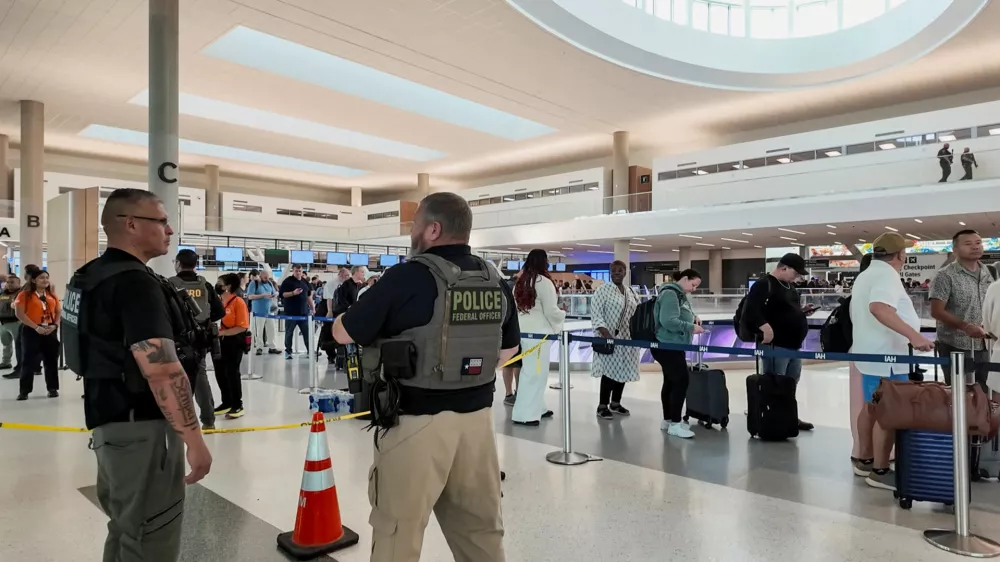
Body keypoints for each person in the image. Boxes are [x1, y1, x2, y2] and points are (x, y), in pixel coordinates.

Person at [332, 192, 518, 562]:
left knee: (398, 532)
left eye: (415, 223)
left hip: (415, 423)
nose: (412, 231)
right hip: (478, 424)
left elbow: (344, 333)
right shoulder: (493, 279)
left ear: (433, 229)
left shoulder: (405, 276)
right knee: (480, 531)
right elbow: (506, 353)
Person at [63, 188, 211, 560]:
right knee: (151, 536)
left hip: (109, 421)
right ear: (130, 223)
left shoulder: (89, 276)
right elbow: (161, 370)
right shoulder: (135, 283)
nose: (170, 230)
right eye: (161, 221)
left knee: (127, 529)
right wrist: (194, 440)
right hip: (143, 427)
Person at [850, 232, 934, 490]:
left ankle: (864, 459)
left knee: (871, 408)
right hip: (886, 355)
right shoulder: (887, 275)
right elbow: (879, 308)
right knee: (888, 412)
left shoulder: (866, 274)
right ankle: (880, 469)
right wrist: (915, 336)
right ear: (900, 255)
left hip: (870, 354)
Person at [742, 253, 817, 431]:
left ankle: (788, 415)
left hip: (793, 344)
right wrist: (765, 328)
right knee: (774, 381)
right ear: (783, 267)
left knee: (790, 382)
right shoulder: (764, 284)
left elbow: (786, 310)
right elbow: (751, 310)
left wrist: (801, 312)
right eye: (795, 272)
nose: (797, 277)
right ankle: (771, 418)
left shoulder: (789, 286)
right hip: (776, 345)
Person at [929, 229, 993, 391]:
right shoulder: (945, 275)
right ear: (955, 250)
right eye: (968, 244)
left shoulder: (989, 272)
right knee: (960, 395)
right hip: (956, 346)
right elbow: (936, 311)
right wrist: (965, 326)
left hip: (987, 344)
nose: (975, 247)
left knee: (987, 392)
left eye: (978, 243)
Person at [170, 249, 226, 430]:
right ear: (195, 265)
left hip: (176, 339)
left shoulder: (170, 284)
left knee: (173, 377)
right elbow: (220, 311)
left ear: (178, 263)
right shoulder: (205, 284)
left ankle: (176, 420)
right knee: (200, 376)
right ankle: (208, 420)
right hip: (200, 338)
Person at [511, 249, 565, 426]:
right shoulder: (544, 282)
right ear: (544, 262)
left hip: (523, 332)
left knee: (533, 371)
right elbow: (551, 310)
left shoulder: (521, 281)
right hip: (539, 334)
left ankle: (538, 407)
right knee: (535, 373)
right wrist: (562, 314)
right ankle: (524, 414)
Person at [651, 269, 703, 439]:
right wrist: (690, 327)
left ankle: (668, 420)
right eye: (693, 284)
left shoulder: (678, 294)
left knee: (671, 382)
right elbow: (668, 321)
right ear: (685, 278)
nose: (694, 289)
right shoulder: (671, 294)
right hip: (668, 345)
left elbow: (680, 313)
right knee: (681, 381)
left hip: (672, 345)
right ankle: (675, 423)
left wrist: (693, 317)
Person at [591, 260, 641, 420]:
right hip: (609, 338)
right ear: (610, 272)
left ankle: (616, 403)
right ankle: (602, 405)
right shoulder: (602, 291)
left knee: (623, 370)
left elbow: (638, 313)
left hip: (628, 340)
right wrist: (607, 336)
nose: (617, 273)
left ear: (625, 272)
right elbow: (596, 316)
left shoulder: (631, 292)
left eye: (620, 270)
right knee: (609, 373)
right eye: (614, 271)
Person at [14, 269, 61, 400]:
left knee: (51, 360)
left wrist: (55, 325)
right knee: (28, 361)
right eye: (41, 278)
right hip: (31, 330)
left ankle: (52, 388)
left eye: (47, 277)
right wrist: (35, 327)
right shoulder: (24, 295)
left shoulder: (51, 294)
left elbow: (58, 312)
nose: (45, 280)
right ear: (33, 280)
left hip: (50, 329)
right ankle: (24, 391)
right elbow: (20, 314)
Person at [215, 273, 251, 419]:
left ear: (228, 286)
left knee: (231, 372)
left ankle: (237, 405)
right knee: (220, 372)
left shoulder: (238, 302)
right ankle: (226, 402)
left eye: (220, 282)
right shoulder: (217, 301)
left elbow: (242, 327)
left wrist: (223, 332)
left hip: (234, 341)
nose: (217, 285)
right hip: (219, 342)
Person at [279, 264, 313, 359]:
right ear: (293, 271)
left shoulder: (305, 282)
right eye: (296, 271)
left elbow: (309, 296)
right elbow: (282, 294)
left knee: (307, 333)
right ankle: (288, 351)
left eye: (300, 271)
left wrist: (313, 308)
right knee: (289, 333)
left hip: (304, 313)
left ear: (302, 271)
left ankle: (310, 351)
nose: (298, 273)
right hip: (291, 313)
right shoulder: (287, 281)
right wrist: (293, 293)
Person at [247, 269, 281, 355]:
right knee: (259, 330)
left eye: (268, 277)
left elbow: (275, 292)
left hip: (269, 311)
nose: (266, 279)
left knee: (271, 329)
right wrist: (262, 295)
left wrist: (275, 294)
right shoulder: (254, 283)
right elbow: (250, 297)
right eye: (265, 277)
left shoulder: (269, 283)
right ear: (260, 276)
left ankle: (272, 347)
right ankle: (259, 347)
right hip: (258, 311)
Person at [0, 273, 22, 377]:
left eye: (12, 282)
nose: (9, 284)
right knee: (6, 344)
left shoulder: (21, 294)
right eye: (8, 282)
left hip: (16, 322)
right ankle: (6, 362)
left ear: (19, 283)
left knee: (19, 345)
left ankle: (21, 366)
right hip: (3, 323)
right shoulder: (3, 294)